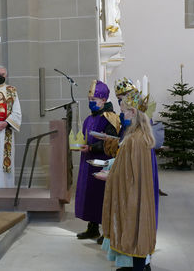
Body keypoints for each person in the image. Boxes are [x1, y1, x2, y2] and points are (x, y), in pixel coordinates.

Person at [102, 90, 156, 271]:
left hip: (131, 194)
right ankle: (137, 266)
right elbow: (128, 165)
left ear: (133, 113)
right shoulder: (142, 136)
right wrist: (114, 165)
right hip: (138, 193)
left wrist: (110, 175)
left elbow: (128, 173)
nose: (122, 114)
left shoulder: (134, 140)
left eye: (124, 111)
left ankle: (139, 268)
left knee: (133, 230)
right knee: (136, 230)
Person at [75, 80, 120, 244]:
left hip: (103, 161)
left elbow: (112, 142)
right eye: (90, 100)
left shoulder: (111, 118)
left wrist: (92, 147)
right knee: (90, 196)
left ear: (103, 100)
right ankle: (92, 228)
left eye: (94, 100)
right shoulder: (89, 118)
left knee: (102, 196)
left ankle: (106, 231)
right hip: (88, 161)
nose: (91, 103)